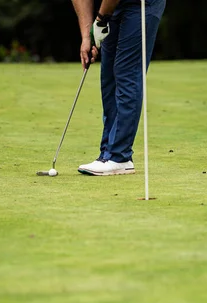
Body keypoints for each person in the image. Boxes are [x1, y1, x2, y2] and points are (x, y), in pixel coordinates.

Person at [71, 0, 166, 176]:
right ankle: (107, 154)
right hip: (110, 5)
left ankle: (119, 157)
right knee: (109, 75)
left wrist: (100, 19)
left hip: (143, 4)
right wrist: (87, 37)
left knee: (126, 71)